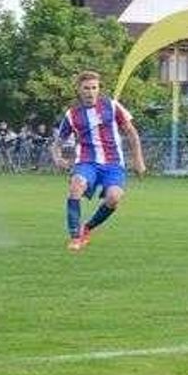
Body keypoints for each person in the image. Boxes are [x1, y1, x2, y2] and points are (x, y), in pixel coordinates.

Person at [51, 71, 146, 251]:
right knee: (76, 185)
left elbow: (131, 132)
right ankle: (75, 237)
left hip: (113, 163)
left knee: (114, 198)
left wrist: (138, 160)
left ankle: (87, 228)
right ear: (79, 90)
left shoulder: (112, 106)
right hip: (87, 161)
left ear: (99, 88)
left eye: (94, 88)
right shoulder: (72, 114)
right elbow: (58, 142)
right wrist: (57, 157)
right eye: (86, 88)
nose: (90, 92)